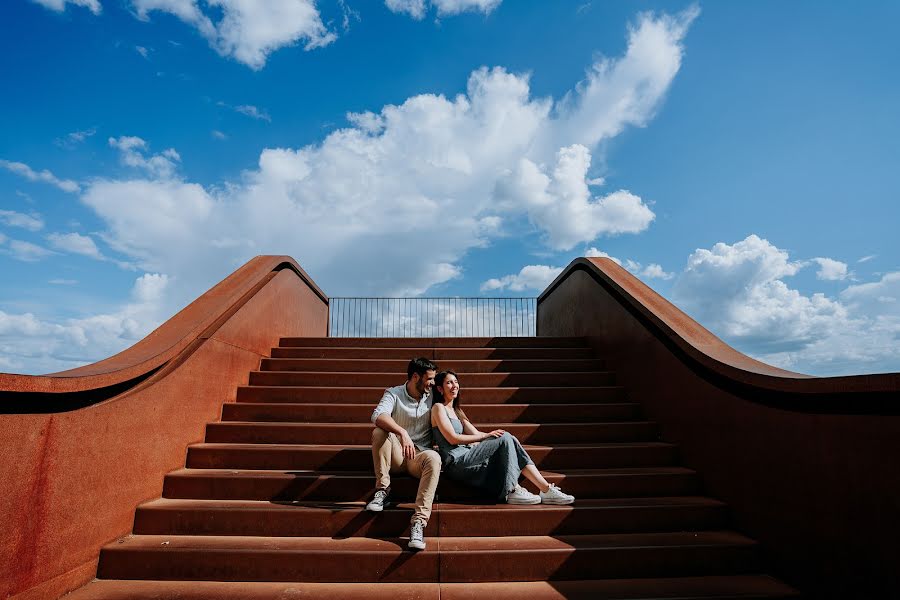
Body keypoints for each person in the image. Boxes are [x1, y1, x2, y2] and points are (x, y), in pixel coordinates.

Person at [430, 370, 575, 505]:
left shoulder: (457, 411)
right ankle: (512, 489)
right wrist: (488, 436)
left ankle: (546, 489)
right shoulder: (438, 408)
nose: (454, 386)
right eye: (449, 382)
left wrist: (489, 438)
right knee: (504, 437)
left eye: (456, 382)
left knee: (508, 438)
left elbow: (476, 434)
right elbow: (452, 438)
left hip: (469, 456)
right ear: (440, 388)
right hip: (456, 462)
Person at [367, 357, 442, 551]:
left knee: (434, 458)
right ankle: (382, 490)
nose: (433, 383)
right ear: (415, 376)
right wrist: (402, 432)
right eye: (429, 379)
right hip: (397, 455)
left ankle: (418, 523)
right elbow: (378, 415)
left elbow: (454, 411)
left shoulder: (433, 395)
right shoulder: (394, 393)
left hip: (419, 458)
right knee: (379, 431)